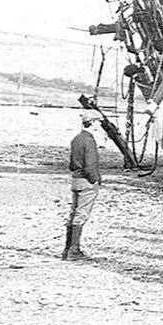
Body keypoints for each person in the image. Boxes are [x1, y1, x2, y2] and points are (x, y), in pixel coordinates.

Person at [63, 110, 103, 261]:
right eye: (98, 121)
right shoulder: (89, 141)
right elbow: (90, 165)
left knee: (73, 213)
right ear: (92, 122)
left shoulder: (76, 139)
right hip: (87, 181)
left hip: (76, 179)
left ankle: (67, 249)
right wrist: (95, 180)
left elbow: (72, 163)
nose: (100, 124)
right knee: (81, 215)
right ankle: (74, 251)